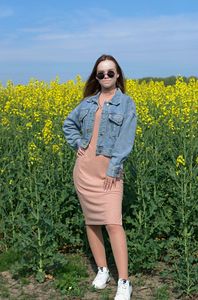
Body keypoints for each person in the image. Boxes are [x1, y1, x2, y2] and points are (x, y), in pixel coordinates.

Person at [63, 54, 137, 300]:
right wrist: (77, 144)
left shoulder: (126, 104)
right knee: (92, 222)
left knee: (114, 224)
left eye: (110, 72)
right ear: (96, 76)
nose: (105, 77)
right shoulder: (87, 103)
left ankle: (124, 281)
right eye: (101, 73)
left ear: (118, 75)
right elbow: (68, 124)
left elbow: (126, 141)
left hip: (109, 173)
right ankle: (103, 270)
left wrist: (114, 168)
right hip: (84, 171)